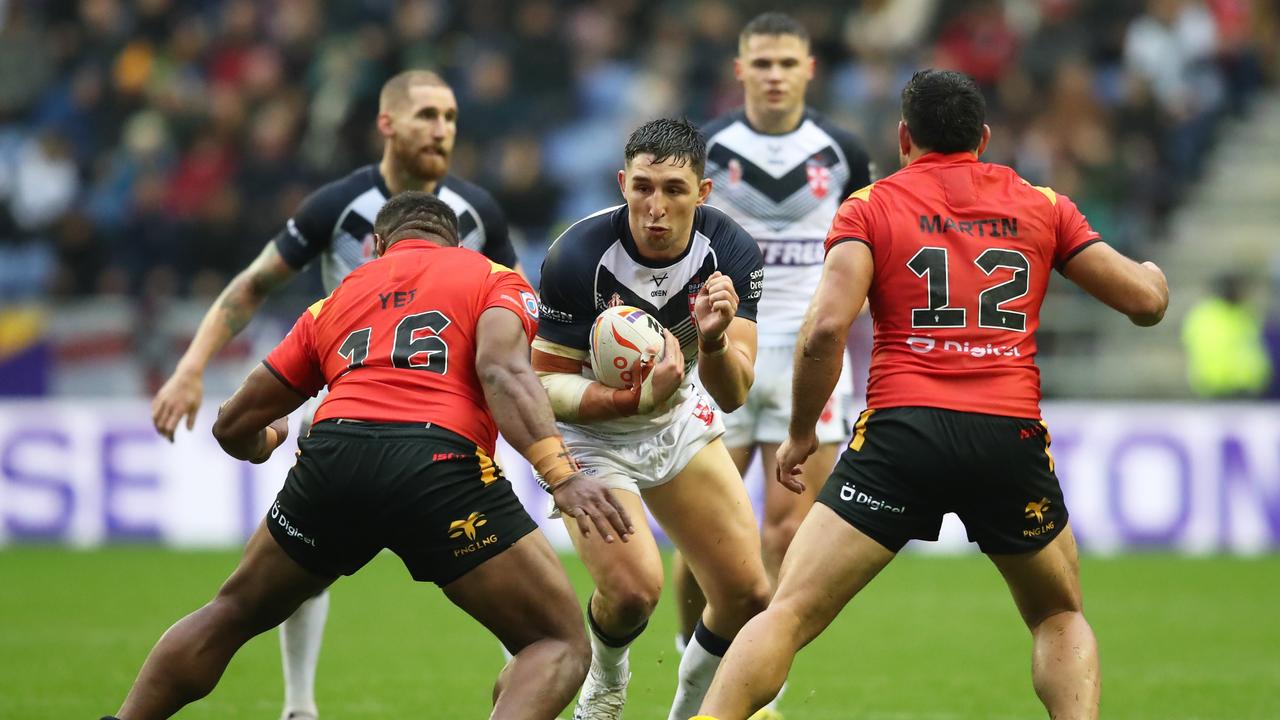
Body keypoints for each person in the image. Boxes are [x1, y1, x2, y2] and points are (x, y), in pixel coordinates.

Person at [695, 69, 1169, 720]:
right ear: (984, 137)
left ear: (902, 138)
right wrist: (1154, 277)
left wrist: (803, 430)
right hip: (1007, 436)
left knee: (791, 611)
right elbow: (1145, 303)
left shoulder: (870, 206)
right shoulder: (1042, 203)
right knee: (1058, 614)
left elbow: (826, 329)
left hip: (902, 434)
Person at [102, 192, 633, 720]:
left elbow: (231, 423)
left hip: (335, 460)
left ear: (375, 245)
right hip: (439, 467)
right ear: (456, 243)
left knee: (232, 612)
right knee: (556, 644)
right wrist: (562, 476)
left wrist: (265, 443)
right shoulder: (494, 278)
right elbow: (502, 372)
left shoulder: (333, 301)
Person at [149, 69, 518, 720]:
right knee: (306, 570)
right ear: (387, 124)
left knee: (284, 570)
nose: (442, 131)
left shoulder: (478, 210)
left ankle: (518, 668)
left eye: (452, 117)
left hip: (447, 405)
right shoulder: (338, 204)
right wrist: (191, 365)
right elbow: (253, 284)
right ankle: (300, 706)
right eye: (428, 115)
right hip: (350, 394)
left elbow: (515, 304)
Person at [532, 117, 771, 720]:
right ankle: (606, 684)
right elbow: (543, 384)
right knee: (635, 592)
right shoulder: (578, 255)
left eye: (673, 189)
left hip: (676, 413)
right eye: (642, 187)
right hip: (592, 432)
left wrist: (713, 344)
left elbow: (735, 393)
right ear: (622, 183)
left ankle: (687, 711)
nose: (655, 206)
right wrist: (629, 401)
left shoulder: (732, 253)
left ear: (704, 193)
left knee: (747, 594)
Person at [671, 18, 874, 712]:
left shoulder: (842, 150)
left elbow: (867, 245)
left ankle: (762, 694)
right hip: (724, 347)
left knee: (788, 532)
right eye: (762, 62)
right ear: (740, 68)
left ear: (809, 68)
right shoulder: (708, 146)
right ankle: (691, 674)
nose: (775, 74)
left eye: (787, 61)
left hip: (809, 356)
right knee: (706, 539)